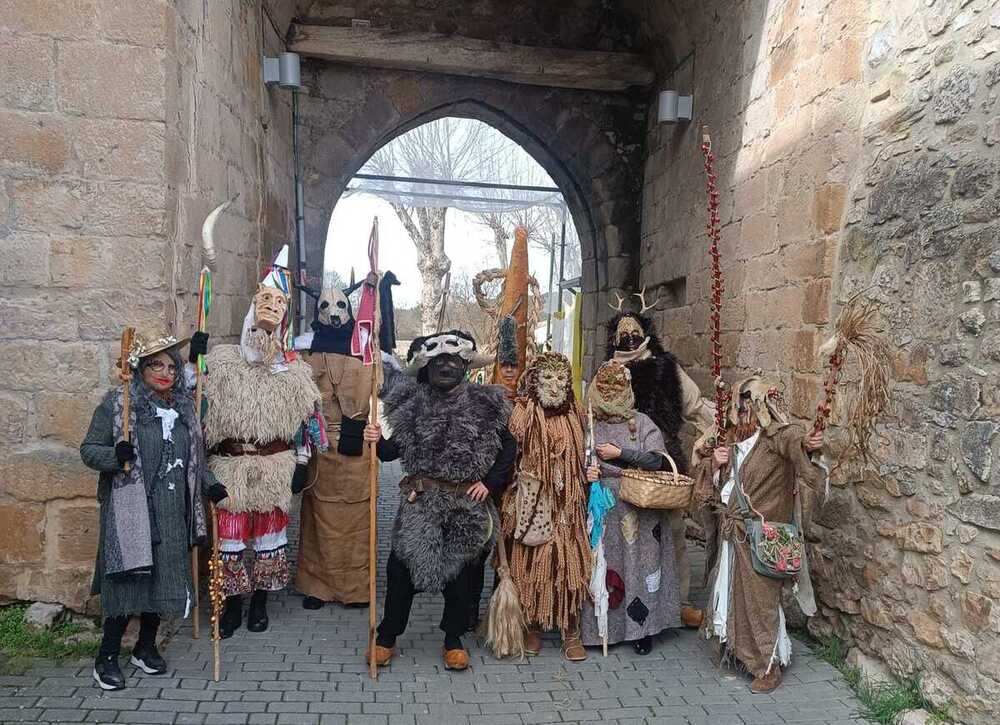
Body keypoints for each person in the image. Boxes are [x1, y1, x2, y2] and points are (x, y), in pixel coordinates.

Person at [362, 330, 517, 670]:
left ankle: (453, 638)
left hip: (466, 505)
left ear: (465, 364)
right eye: (437, 360)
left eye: (453, 359)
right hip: (421, 503)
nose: (445, 365)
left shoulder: (486, 403)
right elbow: (390, 451)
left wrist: (489, 483)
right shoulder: (413, 404)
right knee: (401, 570)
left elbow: (509, 447)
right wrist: (374, 438)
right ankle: (387, 636)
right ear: (426, 367)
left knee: (461, 578)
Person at [82, 329, 227, 690]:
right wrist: (114, 456)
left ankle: (145, 648)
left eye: (172, 367)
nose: (166, 372)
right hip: (131, 509)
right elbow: (89, 450)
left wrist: (211, 486)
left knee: (163, 581)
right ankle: (107, 656)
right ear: (140, 369)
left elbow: (195, 459)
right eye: (156, 365)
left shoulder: (185, 411)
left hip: (171, 509)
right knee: (128, 584)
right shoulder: (118, 405)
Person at [202, 254, 323, 637]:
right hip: (231, 468)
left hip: (274, 467)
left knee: (270, 536)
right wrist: (195, 364)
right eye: (260, 317)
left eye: (273, 321)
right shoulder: (220, 364)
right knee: (231, 538)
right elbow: (197, 413)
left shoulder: (295, 374)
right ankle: (231, 605)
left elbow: (307, 424)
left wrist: (302, 462)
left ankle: (259, 603)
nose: (263, 329)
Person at [694, 376, 823, 694]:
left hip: (758, 537)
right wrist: (714, 464)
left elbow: (796, 442)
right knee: (729, 596)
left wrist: (808, 445)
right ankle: (735, 650)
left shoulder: (775, 438)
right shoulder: (728, 441)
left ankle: (768, 665)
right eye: (739, 409)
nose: (742, 415)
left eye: (748, 408)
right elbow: (705, 489)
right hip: (731, 536)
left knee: (761, 603)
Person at [605, 303, 715, 628]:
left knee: (674, 534)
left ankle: (678, 603)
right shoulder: (608, 371)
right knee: (627, 536)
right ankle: (625, 605)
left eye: (634, 331)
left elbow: (695, 405)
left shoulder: (667, 368)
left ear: (645, 333)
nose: (628, 336)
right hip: (622, 464)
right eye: (622, 332)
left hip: (664, 465)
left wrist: (726, 423)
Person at [579, 360, 681, 654]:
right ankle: (601, 630)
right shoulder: (590, 423)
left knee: (641, 567)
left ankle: (642, 630)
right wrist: (587, 472)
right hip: (605, 508)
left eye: (618, 386)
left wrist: (619, 453)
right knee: (605, 567)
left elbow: (657, 460)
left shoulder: (642, 423)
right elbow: (578, 459)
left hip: (640, 507)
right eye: (605, 386)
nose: (611, 392)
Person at [502, 352, 592, 661]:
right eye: (547, 378)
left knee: (568, 562)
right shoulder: (523, 412)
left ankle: (570, 628)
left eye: (560, 378)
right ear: (535, 380)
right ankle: (533, 623)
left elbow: (587, 453)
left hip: (567, 502)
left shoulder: (576, 414)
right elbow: (509, 449)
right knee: (532, 561)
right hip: (533, 500)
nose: (554, 385)